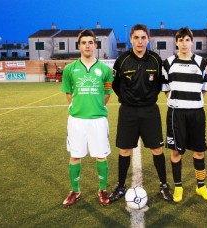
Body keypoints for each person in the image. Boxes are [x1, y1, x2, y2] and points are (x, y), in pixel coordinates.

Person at [109, 24, 173, 203]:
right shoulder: (121, 60)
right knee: (125, 150)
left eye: (143, 38)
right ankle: (121, 187)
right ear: (131, 39)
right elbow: (115, 84)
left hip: (150, 111)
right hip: (128, 112)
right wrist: (126, 98)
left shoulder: (155, 60)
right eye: (136, 38)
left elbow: (161, 83)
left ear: (148, 39)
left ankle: (164, 185)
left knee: (157, 148)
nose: (140, 41)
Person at [61, 29, 114, 207]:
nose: (87, 45)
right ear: (79, 45)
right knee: (75, 156)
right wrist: (80, 107)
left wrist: (96, 106)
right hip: (76, 120)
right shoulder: (70, 69)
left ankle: (102, 189)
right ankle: (75, 190)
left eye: (90, 42)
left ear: (95, 45)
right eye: (84, 42)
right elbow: (69, 94)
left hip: (98, 120)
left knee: (101, 156)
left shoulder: (105, 70)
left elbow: (107, 93)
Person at [162, 27, 207, 203]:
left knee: (199, 151)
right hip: (176, 113)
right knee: (176, 151)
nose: (184, 43)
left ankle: (201, 186)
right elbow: (165, 89)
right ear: (176, 42)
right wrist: (178, 101)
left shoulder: (202, 63)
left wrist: (193, 102)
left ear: (191, 41)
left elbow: (204, 89)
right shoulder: (168, 63)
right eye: (180, 40)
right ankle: (178, 187)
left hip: (197, 113)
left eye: (187, 40)